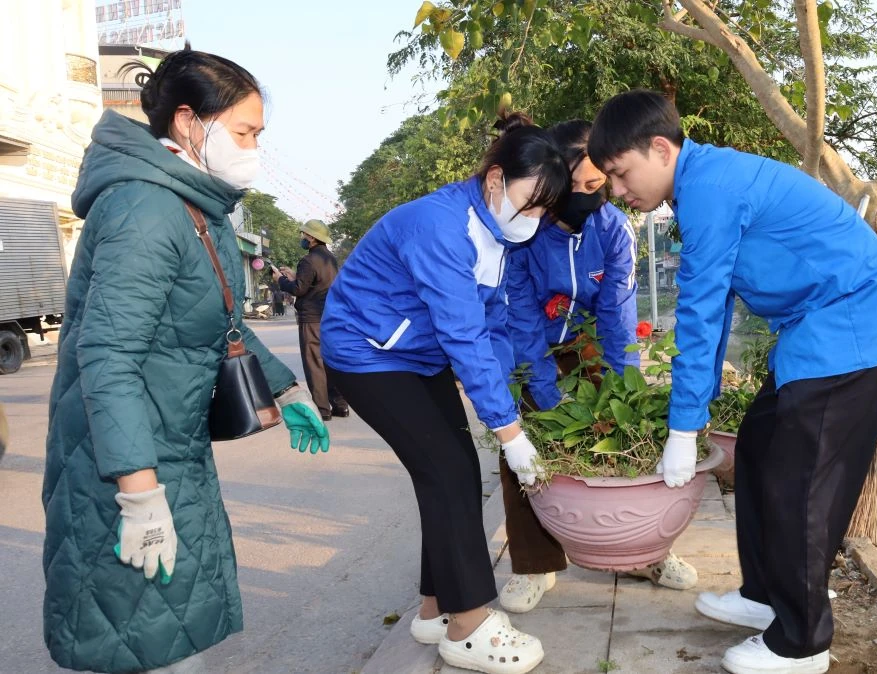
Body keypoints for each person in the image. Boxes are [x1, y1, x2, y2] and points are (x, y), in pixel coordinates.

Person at [587, 90, 877, 674]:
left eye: (620, 174)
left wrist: (683, 424)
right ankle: (765, 595)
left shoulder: (711, 191)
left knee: (801, 486)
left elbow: (698, 306)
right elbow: (713, 309)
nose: (618, 192)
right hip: (819, 330)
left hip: (854, 328)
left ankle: (802, 642)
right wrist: (692, 413)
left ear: (660, 149)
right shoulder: (703, 182)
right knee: (764, 448)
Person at [42, 47, 331, 674]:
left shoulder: (195, 201)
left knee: (164, 631)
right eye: (244, 132)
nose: (254, 147)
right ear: (187, 122)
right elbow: (108, 353)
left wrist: (284, 391)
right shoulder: (145, 209)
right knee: (146, 637)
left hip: (166, 447)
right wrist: (139, 495)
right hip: (122, 462)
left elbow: (216, 323)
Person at [320, 112, 569, 674]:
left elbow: (492, 326)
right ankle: (469, 627)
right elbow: (462, 334)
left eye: (542, 210)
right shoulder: (439, 225)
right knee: (449, 471)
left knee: (452, 467)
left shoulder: (496, 232)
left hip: (419, 354)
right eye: (528, 201)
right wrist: (510, 433)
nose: (532, 218)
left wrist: (517, 405)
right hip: (368, 353)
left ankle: (435, 609)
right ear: (494, 179)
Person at [499, 119, 698, 614]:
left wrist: (620, 386)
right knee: (525, 456)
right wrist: (547, 396)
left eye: (598, 185)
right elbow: (521, 319)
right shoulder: (522, 234)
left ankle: (643, 553)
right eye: (577, 186)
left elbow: (618, 312)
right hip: (533, 348)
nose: (589, 196)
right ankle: (534, 565)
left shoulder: (613, 229)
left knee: (625, 436)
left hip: (592, 343)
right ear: (553, 179)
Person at [275, 219, 348, 420]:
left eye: (304, 235)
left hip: (312, 318)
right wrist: (294, 276)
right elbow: (313, 283)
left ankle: (323, 410)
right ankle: (340, 405)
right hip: (329, 316)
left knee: (314, 363)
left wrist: (280, 280)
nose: (302, 238)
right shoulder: (330, 259)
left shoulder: (308, 260)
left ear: (312, 238)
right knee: (330, 362)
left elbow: (299, 289)